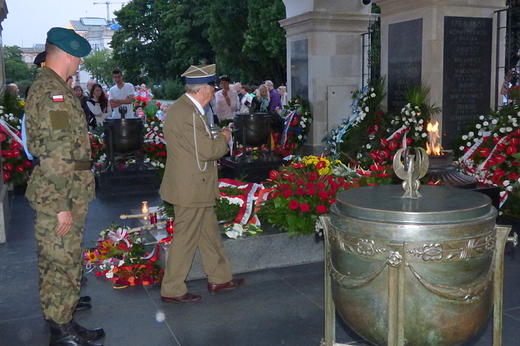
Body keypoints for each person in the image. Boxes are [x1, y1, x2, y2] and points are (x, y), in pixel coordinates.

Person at [24, 27, 104, 346]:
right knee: (63, 261)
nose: (80, 65)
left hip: (66, 188)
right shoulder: (52, 93)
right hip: (60, 193)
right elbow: (55, 152)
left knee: (58, 261)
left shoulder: (52, 86)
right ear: (68, 55)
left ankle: (62, 320)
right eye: (79, 59)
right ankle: (61, 329)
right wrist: (61, 206)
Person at [160, 64, 244, 304]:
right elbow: (208, 151)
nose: (213, 94)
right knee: (185, 238)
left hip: (196, 184)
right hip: (191, 187)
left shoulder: (186, 109)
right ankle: (173, 288)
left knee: (208, 234)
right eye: (212, 89)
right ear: (204, 89)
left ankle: (219, 277)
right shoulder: (188, 113)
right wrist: (224, 138)